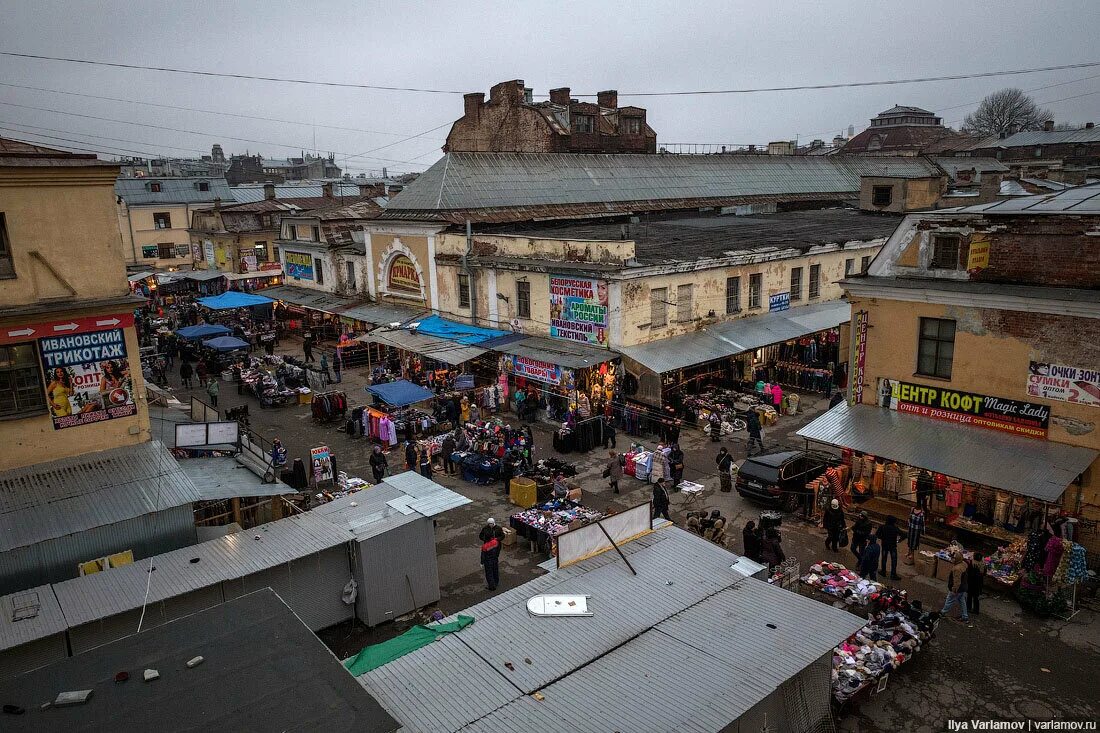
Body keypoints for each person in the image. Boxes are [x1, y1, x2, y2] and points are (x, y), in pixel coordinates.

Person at [941, 557, 970, 622]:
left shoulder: (957, 569)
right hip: (963, 587)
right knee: (962, 600)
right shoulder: (964, 564)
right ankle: (965, 616)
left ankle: (942, 612)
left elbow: (957, 581)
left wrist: (954, 590)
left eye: (953, 558)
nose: (952, 559)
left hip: (958, 588)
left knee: (949, 600)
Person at [876, 515, 902, 580]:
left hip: (885, 545)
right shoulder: (895, 528)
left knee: (884, 558)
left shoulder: (882, 527)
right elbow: (904, 534)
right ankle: (893, 574)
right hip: (893, 545)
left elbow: (877, 535)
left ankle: (883, 571)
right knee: (894, 560)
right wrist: (898, 540)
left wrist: (882, 537)